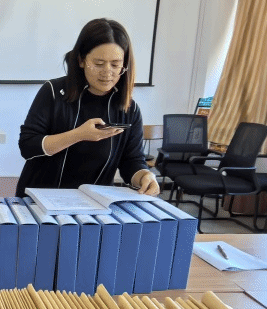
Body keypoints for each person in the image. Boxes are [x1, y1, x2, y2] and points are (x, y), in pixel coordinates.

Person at [15, 18, 159, 197]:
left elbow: (132, 161)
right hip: (39, 200)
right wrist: (79, 135)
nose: (107, 72)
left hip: (93, 203)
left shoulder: (129, 109)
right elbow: (28, 146)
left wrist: (145, 176)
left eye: (115, 64)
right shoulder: (53, 92)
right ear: (81, 60)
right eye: (98, 63)